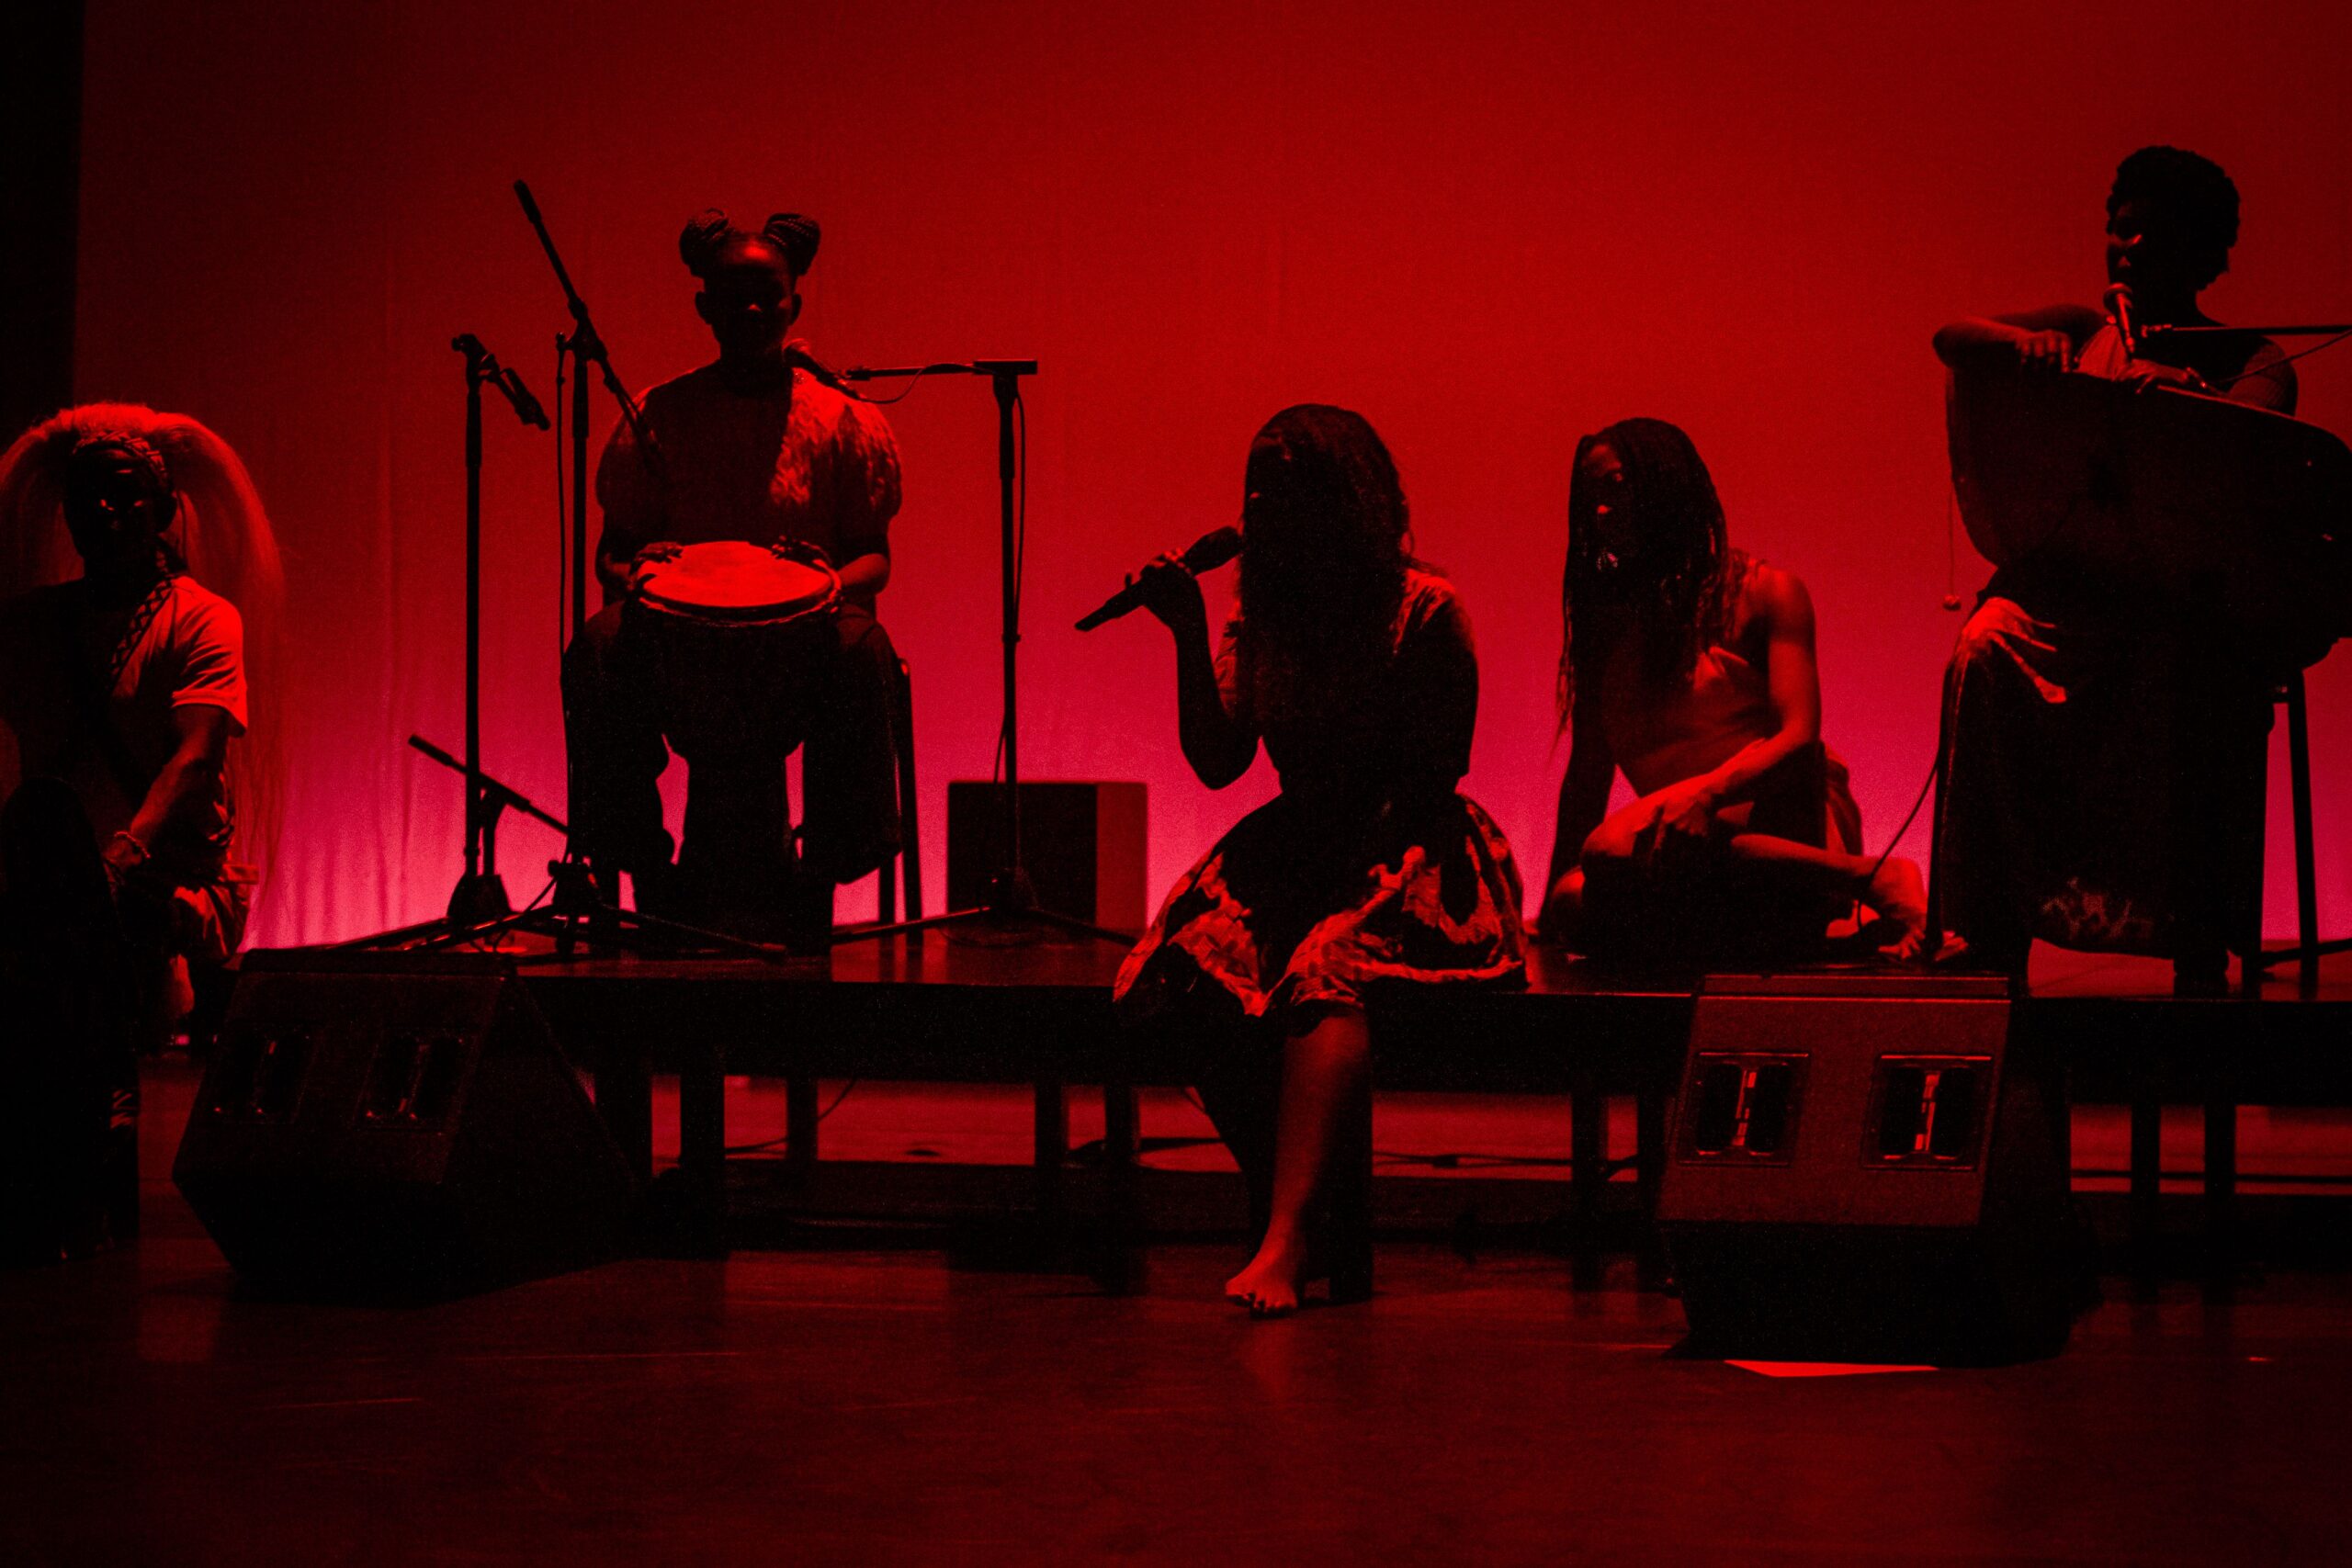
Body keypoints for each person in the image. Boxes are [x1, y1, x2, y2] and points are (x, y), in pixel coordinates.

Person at [1114, 405, 1526, 1316]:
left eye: (1282, 483)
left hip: (1406, 847)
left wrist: (1337, 860)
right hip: (1298, 839)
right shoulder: (1261, 612)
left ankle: (1291, 1238)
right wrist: (1185, 631)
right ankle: (1295, 1200)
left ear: (1344, 496)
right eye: (1253, 484)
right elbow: (1219, 758)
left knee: (1323, 969)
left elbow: (1435, 769)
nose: (1259, 503)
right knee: (1177, 974)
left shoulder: (1424, 607)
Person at [1929, 146, 2293, 992]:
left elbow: (2257, 447)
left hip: (2180, 602)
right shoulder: (2084, 329)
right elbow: (1951, 337)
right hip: (2064, 591)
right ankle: (1990, 930)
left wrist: (2182, 396)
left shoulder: (2253, 357)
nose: (2127, 248)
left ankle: (2194, 933)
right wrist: (2024, 345)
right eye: (2119, 230)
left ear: (2204, 255)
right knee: (1984, 645)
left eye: (2151, 234)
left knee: (2198, 676)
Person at [562, 209, 902, 940]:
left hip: (801, 642)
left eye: (767, 297)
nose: (751, 311)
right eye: (734, 297)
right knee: (597, 647)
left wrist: (833, 583)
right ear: (704, 307)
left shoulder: (840, 417)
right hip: (679, 643)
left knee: (863, 649)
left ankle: (821, 873)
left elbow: (874, 558)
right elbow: (611, 552)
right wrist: (634, 573)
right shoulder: (659, 414)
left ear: (793, 305)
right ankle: (642, 865)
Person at [0, 405, 283, 1252]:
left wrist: (123, 856)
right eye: (89, 496)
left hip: (155, 876)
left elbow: (195, 757)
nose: (107, 512)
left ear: (162, 511)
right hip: (56, 877)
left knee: (89, 999)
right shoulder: (31, 625)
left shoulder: (201, 618)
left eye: (126, 495)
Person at [1541, 417, 1925, 964]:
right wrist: (1548, 918)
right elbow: (1587, 776)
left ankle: (1868, 878)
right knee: (1572, 899)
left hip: (1790, 830)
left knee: (1608, 850)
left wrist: (1706, 797)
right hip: (1680, 850)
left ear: (1666, 485)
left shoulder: (1765, 593)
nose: (1600, 511)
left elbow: (1798, 739)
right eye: (1590, 497)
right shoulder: (1607, 631)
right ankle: (1783, 937)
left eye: (1617, 487)